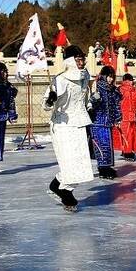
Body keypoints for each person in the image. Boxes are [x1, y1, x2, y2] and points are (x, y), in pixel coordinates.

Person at [44, 45, 93, 211]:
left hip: (79, 122)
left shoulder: (85, 75)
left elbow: (85, 97)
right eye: (78, 59)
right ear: (70, 60)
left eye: (82, 59)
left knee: (81, 162)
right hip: (62, 124)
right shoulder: (60, 79)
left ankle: (60, 186)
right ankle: (63, 190)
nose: (81, 62)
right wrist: (50, 100)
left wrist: (91, 104)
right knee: (69, 162)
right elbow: (46, 105)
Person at [90, 65, 122, 179]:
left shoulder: (113, 90)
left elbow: (116, 106)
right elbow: (90, 105)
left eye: (112, 77)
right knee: (101, 146)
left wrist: (118, 118)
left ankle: (107, 166)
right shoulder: (97, 87)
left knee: (108, 146)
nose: (110, 79)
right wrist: (94, 99)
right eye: (108, 77)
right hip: (97, 121)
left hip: (108, 122)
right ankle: (102, 168)